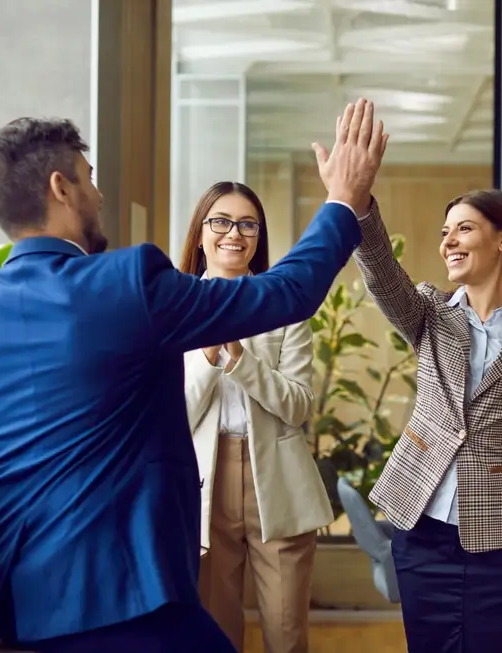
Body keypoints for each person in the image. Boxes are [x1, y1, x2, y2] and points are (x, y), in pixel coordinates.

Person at [0, 99, 388, 653]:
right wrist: (342, 199)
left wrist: (30, 520)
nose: (99, 194)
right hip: (127, 595)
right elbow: (287, 291)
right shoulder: (127, 282)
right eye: (89, 179)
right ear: (60, 188)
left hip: (15, 601)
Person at [315, 145, 502, 651]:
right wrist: (356, 202)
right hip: (422, 532)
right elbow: (380, 271)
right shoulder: (428, 311)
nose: (449, 242)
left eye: (463, 228)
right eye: (445, 232)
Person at [178, 181, 332, 653]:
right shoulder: (175, 306)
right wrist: (207, 358)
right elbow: (172, 417)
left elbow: (300, 405)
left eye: (247, 224)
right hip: (202, 482)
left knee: (287, 633)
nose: (234, 234)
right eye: (220, 221)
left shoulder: (283, 306)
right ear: (201, 232)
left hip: (278, 481)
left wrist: (243, 363)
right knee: (215, 632)